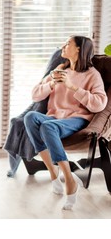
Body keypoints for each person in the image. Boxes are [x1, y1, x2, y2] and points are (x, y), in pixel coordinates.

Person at [23, 36, 107, 210]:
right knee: (30, 117)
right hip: (55, 117)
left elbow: (100, 104)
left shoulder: (92, 75)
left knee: (48, 126)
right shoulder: (60, 69)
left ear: (79, 49)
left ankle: (68, 178)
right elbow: (35, 94)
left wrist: (73, 87)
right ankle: (53, 171)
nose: (63, 46)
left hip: (77, 119)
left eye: (68, 43)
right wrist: (52, 83)